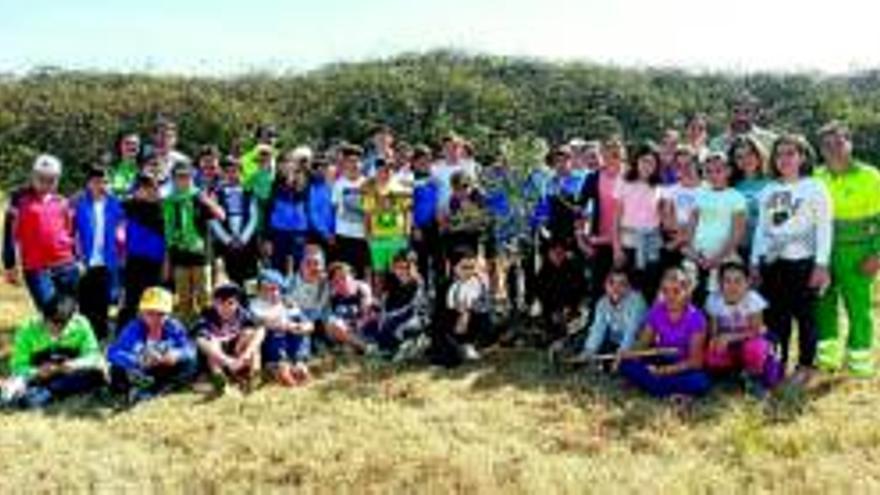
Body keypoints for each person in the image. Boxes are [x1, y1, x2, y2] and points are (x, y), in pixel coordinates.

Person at [750, 134, 831, 385]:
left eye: (790, 153)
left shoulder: (814, 187)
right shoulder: (769, 190)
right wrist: (754, 261)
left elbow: (824, 227)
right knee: (776, 317)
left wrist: (821, 263)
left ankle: (806, 365)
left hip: (804, 262)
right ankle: (778, 362)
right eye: (779, 154)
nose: (784, 159)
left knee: (805, 316)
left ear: (802, 156)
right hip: (774, 263)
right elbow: (761, 229)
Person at [814, 122, 880, 377]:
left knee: (859, 307)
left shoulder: (871, 176)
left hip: (859, 252)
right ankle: (828, 358)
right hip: (824, 252)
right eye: (827, 145)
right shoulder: (816, 177)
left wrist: (877, 254)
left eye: (839, 142)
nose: (834, 149)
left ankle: (859, 359)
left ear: (850, 142)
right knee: (823, 303)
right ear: (821, 150)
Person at [618, 268, 711, 399]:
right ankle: (665, 390)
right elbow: (643, 344)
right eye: (665, 291)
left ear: (687, 293)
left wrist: (664, 372)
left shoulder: (696, 318)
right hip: (661, 358)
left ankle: (654, 387)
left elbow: (696, 362)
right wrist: (630, 353)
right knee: (626, 364)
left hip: (682, 366)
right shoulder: (657, 311)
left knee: (699, 381)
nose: (670, 296)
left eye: (676, 291)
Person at [3, 154, 79, 312]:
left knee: (68, 312)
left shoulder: (63, 202)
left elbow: (71, 233)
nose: (46, 183)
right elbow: (9, 235)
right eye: (41, 178)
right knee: (49, 312)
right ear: (33, 176)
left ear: (57, 179)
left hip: (66, 266)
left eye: (51, 179)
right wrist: (9, 264)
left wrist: (77, 259)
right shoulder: (19, 200)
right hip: (37, 269)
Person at [1, 295, 106, 408]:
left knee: (97, 376)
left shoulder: (81, 324)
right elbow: (17, 366)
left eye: (61, 327)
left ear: (71, 320)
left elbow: (94, 356)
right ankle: (42, 393)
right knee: (28, 401)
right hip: (39, 378)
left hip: (70, 374)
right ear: (43, 317)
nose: (55, 331)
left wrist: (75, 365)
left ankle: (51, 391)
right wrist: (37, 372)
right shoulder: (27, 330)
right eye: (51, 325)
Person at [107, 287, 198, 403]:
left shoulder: (173, 326)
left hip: (164, 369)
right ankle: (136, 388)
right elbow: (112, 352)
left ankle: (154, 390)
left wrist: (176, 355)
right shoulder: (133, 328)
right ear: (141, 313)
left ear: (169, 314)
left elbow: (190, 349)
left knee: (190, 364)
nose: (155, 318)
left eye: (161, 314)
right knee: (116, 370)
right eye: (150, 313)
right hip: (139, 370)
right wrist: (138, 360)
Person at [162, 160, 226, 323]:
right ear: (173, 179)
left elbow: (221, 215)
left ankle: (210, 327)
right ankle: (187, 330)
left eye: (187, 176)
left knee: (205, 296)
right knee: (183, 299)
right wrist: (167, 260)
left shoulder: (198, 197)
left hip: (200, 255)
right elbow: (168, 233)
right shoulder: (169, 202)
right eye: (179, 177)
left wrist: (208, 200)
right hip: (180, 255)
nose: (183, 180)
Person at [704, 262, 781, 394]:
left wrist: (730, 337)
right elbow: (714, 331)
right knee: (711, 353)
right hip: (729, 342)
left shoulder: (753, 299)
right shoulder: (714, 300)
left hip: (752, 339)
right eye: (727, 281)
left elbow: (755, 331)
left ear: (747, 283)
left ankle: (754, 378)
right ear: (720, 284)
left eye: (738, 281)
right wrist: (714, 340)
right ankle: (731, 374)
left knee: (754, 349)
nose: (732, 286)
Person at [686, 152, 747, 306]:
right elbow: (691, 228)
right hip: (698, 259)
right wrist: (695, 255)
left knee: (720, 305)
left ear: (728, 171)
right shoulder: (700, 195)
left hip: (724, 260)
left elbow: (737, 233)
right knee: (698, 302)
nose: (714, 175)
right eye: (709, 171)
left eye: (718, 170)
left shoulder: (736, 197)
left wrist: (717, 258)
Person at [72, 165, 125, 341]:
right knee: (85, 303)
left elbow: (124, 225)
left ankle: (101, 340)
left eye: (104, 181)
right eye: (96, 182)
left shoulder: (115, 203)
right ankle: (85, 339)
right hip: (85, 261)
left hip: (108, 261)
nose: (100, 185)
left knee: (103, 303)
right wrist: (76, 256)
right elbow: (71, 231)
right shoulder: (79, 204)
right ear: (88, 183)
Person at [612, 143, 664, 301]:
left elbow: (661, 217)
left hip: (652, 245)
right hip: (629, 244)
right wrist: (616, 248)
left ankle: (648, 325)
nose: (647, 166)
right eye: (644, 161)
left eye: (652, 162)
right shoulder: (623, 182)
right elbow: (616, 218)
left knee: (650, 290)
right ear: (636, 161)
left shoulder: (659, 186)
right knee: (629, 290)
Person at [193, 283, 264, 394]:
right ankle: (220, 380)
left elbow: (261, 330)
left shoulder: (242, 313)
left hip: (237, 356)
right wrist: (226, 360)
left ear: (237, 303)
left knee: (249, 333)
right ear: (214, 303)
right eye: (221, 303)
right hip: (217, 360)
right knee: (212, 342)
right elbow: (200, 341)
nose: (226, 308)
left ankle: (254, 375)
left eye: (230, 303)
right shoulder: (207, 315)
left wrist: (247, 354)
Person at [578, 135, 624, 306]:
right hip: (600, 240)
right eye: (607, 154)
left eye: (615, 154)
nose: (611, 158)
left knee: (624, 286)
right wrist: (581, 238)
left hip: (625, 241)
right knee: (599, 286)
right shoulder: (593, 178)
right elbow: (579, 209)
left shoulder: (629, 176)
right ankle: (595, 325)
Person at [118, 173, 166, 328]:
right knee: (131, 300)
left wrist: (166, 264)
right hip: (134, 260)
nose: (148, 191)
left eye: (151, 187)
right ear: (137, 189)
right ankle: (123, 333)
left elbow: (167, 241)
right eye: (143, 187)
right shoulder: (128, 206)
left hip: (155, 262)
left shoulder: (164, 209)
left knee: (153, 300)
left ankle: (151, 332)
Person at [251, 270, 313, 387]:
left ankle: (299, 362)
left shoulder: (287, 304)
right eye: (266, 289)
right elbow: (259, 323)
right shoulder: (256, 306)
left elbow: (308, 323)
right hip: (273, 346)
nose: (272, 293)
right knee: (275, 334)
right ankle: (278, 366)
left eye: (275, 289)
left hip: (292, 344)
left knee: (301, 332)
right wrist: (283, 325)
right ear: (259, 291)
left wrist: (302, 327)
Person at [362, 158, 412, 290]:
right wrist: (368, 234)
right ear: (377, 171)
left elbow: (407, 212)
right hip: (378, 238)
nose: (385, 173)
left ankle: (396, 299)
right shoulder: (370, 189)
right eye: (382, 170)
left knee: (398, 271)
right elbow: (367, 214)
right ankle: (379, 302)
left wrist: (406, 233)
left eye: (388, 170)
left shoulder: (401, 188)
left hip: (397, 237)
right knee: (379, 272)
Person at [210, 156, 260, 287]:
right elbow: (213, 219)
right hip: (228, 241)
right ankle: (235, 302)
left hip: (247, 241)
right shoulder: (216, 193)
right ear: (222, 173)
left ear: (241, 173)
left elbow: (254, 217)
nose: (232, 175)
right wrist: (228, 240)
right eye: (228, 171)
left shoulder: (248, 192)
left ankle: (250, 303)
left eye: (235, 171)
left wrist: (243, 239)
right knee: (232, 276)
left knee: (250, 277)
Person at [580, 269, 647, 361]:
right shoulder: (602, 303)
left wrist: (622, 352)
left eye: (622, 284)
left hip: (638, 342)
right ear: (605, 285)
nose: (616, 288)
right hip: (615, 341)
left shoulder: (637, 301)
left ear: (629, 287)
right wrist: (589, 350)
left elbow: (632, 331)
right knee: (587, 341)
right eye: (611, 283)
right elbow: (598, 329)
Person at [534, 237, 589, 346]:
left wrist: (571, 307)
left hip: (572, 312)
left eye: (561, 253)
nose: (558, 256)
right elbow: (542, 296)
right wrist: (553, 312)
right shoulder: (543, 273)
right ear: (549, 254)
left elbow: (582, 290)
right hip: (551, 313)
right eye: (554, 253)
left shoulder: (573, 269)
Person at [439, 250, 492, 363]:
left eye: (472, 267)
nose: (468, 271)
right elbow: (449, 308)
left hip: (474, 320)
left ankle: (471, 343)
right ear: (454, 268)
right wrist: (461, 314)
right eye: (464, 267)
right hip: (454, 323)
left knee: (482, 316)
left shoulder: (478, 282)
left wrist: (467, 312)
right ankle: (460, 344)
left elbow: (481, 304)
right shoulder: (450, 286)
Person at [264, 156, 312, 275]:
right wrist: (268, 238)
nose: (286, 167)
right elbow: (269, 211)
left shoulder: (303, 182)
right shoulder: (274, 184)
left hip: (299, 231)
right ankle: (278, 291)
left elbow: (301, 199)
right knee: (277, 264)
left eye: (289, 164)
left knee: (298, 264)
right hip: (278, 231)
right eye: (283, 164)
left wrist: (294, 182)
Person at [379, 251, 430, 361]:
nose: (403, 271)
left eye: (407, 267)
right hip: (394, 318)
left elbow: (413, 308)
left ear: (414, 267)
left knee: (402, 328)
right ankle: (402, 347)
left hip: (414, 318)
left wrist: (391, 317)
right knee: (375, 327)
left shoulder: (418, 282)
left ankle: (415, 343)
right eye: (399, 268)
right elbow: (385, 304)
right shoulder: (391, 281)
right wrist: (384, 317)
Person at [659, 145, 703, 271]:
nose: (684, 169)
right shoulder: (670, 191)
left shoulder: (707, 190)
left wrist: (681, 237)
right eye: (679, 165)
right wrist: (683, 237)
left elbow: (706, 222)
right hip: (676, 249)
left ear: (696, 164)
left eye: (688, 164)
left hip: (701, 249)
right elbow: (667, 224)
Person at [331, 144, 371, 280]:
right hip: (343, 235)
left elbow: (370, 210)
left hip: (363, 235)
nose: (354, 165)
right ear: (345, 164)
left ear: (362, 164)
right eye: (350, 161)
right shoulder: (339, 184)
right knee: (345, 271)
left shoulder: (368, 183)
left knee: (362, 272)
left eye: (357, 161)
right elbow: (335, 208)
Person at [324, 262, 381, 355]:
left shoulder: (361, 287)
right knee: (330, 323)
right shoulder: (334, 296)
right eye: (336, 280)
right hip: (344, 332)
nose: (341, 282)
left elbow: (367, 311)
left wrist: (354, 324)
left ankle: (365, 347)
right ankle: (361, 347)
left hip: (364, 328)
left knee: (336, 325)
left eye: (344, 277)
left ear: (352, 276)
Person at [729, 135, 770, 258]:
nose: (746, 160)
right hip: (741, 250)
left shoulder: (773, 182)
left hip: (768, 250)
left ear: (759, 154)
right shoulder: (731, 186)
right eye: (739, 157)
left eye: (750, 154)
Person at [410, 145, 441, 289]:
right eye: (422, 161)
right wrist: (415, 226)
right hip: (418, 228)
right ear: (414, 162)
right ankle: (422, 295)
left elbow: (438, 201)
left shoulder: (434, 179)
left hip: (435, 225)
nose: (426, 164)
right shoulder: (409, 179)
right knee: (421, 263)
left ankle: (436, 298)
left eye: (428, 161)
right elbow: (408, 206)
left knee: (438, 263)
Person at [709, 92, 777, 155]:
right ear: (729, 113)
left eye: (747, 112)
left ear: (755, 114)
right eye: (736, 111)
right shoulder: (716, 144)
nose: (741, 117)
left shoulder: (769, 140)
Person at [307, 155, 337, 255]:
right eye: (318, 168)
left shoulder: (331, 186)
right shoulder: (311, 188)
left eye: (324, 168)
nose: (322, 171)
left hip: (334, 233)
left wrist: (333, 232)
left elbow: (334, 210)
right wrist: (325, 233)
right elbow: (313, 213)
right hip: (317, 234)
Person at [108, 131, 141, 197]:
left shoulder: (144, 168)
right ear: (120, 146)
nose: (131, 146)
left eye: (134, 143)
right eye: (127, 143)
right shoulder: (110, 170)